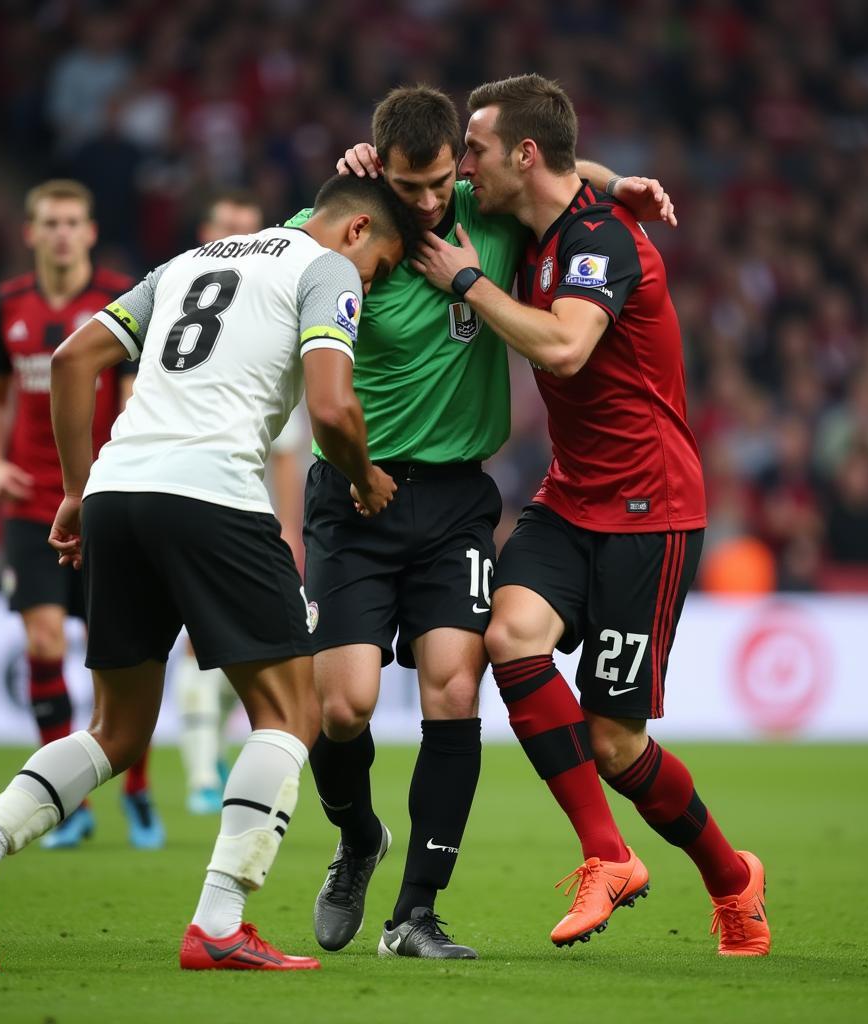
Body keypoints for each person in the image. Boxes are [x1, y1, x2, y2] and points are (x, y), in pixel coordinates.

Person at [0, 171, 412, 972]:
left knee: (114, 730)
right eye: (381, 268)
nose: (372, 284)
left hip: (119, 492)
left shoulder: (187, 261)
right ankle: (220, 921)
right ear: (357, 231)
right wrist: (363, 476)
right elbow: (332, 410)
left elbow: (74, 358)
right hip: (213, 494)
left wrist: (80, 490)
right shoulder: (324, 269)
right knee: (293, 715)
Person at [292, 85, 676, 960]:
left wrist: (619, 186)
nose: (431, 201)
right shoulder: (335, 229)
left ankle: (415, 915)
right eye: (412, 186)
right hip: (355, 493)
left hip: (456, 499)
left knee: (455, 691)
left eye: (441, 182)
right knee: (344, 706)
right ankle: (357, 839)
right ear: (374, 167)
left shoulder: (483, 214)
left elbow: (555, 176)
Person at [412, 73, 769, 957]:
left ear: (522, 155)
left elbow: (567, 346)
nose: (465, 169)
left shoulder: (601, 242)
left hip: (651, 508)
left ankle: (732, 879)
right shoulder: (542, 217)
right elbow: (563, 170)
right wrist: (613, 176)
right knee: (509, 635)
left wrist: (468, 283)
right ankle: (604, 853)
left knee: (617, 745)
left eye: (477, 152)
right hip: (573, 495)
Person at [0, 179, 163, 849]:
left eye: (72, 222)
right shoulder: (8, 305)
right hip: (32, 505)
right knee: (44, 644)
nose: (61, 233)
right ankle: (70, 806)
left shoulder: (119, 300)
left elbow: (134, 396)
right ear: (30, 233)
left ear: (88, 232)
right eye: (49, 222)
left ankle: (137, 790)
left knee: (115, 657)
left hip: (103, 500)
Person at [176, 191, 309, 816]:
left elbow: (286, 451)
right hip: (196, 498)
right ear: (205, 231)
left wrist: (288, 529)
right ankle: (202, 775)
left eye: (246, 230)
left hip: (246, 510)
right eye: (225, 227)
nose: (236, 240)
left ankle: (209, 764)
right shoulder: (183, 301)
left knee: (249, 644)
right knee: (198, 643)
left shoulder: (268, 323)